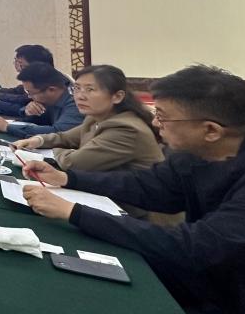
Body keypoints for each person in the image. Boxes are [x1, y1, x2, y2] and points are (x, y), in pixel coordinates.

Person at [20, 65, 245, 314]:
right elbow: (147, 187)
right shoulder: (193, 154)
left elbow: (197, 247)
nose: (155, 122)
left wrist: (75, 212)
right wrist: (68, 179)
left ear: (211, 130)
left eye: (162, 116)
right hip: (203, 275)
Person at [13, 65, 166, 220]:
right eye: (77, 88)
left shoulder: (126, 128)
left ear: (117, 96)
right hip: (104, 197)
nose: (80, 96)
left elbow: (73, 163)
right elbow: (65, 137)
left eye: (90, 89)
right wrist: (37, 140)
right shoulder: (96, 116)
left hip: (136, 214)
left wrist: (59, 151)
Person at [0, 62, 83, 138]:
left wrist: (8, 127)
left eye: (31, 93)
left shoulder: (76, 104)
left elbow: (57, 133)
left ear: (51, 90)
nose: (29, 97)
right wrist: (29, 111)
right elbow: (41, 120)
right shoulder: (52, 101)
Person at [0, 45, 64, 116]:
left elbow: (25, 103)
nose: (18, 67)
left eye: (22, 65)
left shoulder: (52, 85)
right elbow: (19, 92)